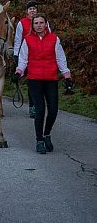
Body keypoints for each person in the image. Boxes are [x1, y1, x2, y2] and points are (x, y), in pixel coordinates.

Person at [13, 13, 72, 154]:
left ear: (46, 24)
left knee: (53, 110)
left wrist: (67, 75)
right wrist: (18, 73)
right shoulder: (27, 40)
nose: (38, 25)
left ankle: (47, 134)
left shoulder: (54, 39)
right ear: (32, 25)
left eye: (41, 23)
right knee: (40, 111)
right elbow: (23, 60)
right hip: (34, 80)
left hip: (51, 79)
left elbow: (60, 59)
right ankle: (39, 140)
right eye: (36, 23)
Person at [13, 0, 50, 118]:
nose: (32, 10)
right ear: (27, 11)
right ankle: (32, 107)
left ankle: (42, 105)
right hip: (28, 55)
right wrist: (16, 54)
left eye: (34, 8)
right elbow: (18, 39)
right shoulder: (21, 23)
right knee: (32, 82)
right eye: (30, 9)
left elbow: (50, 36)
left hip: (44, 56)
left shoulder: (44, 21)